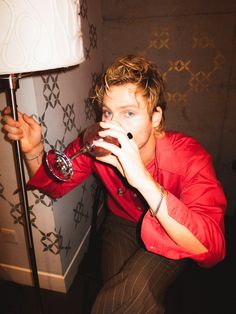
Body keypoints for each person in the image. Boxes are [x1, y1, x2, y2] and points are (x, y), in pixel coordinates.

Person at [2, 55, 226, 313]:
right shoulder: (97, 144)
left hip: (169, 228)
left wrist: (142, 180)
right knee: (119, 295)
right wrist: (34, 150)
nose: (112, 125)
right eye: (108, 112)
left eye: (128, 113)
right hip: (120, 223)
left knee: (133, 289)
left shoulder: (190, 157)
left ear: (155, 118)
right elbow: (54, 186)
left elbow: (212, 249)